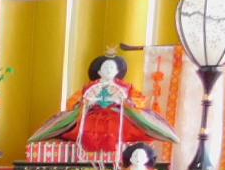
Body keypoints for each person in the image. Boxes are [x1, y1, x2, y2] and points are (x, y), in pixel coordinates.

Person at [27, 53, 179, 159]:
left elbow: (139, 100)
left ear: (117, 71)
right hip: (93, 115)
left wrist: (123, 101)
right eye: (105, 68)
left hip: (118, 115)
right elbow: (73, 102)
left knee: (124, 127)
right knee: (82, 127)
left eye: (112, 68)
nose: (109, 70)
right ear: (99, 71)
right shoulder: (89, 87)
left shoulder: (127, 87)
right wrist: (88, 102)